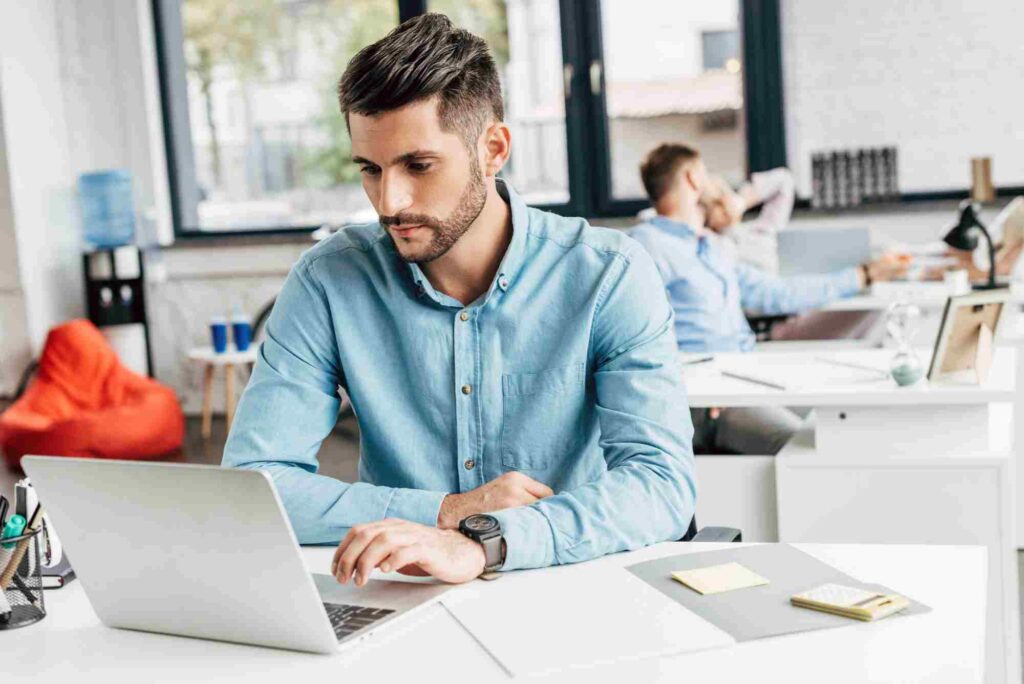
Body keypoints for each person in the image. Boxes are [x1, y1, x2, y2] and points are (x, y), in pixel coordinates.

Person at [222, 14, 696, 587]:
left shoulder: (609, 275)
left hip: (572, 582)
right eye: (370, 170)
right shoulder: (329, 281)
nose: (389, 201)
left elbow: (661, 484)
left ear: (492, 149)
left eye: (418, 166)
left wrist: (484, 543)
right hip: (402, 591)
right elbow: (254, 482)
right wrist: (447, 511)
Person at [630, 144, 907, 455]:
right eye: (707, 175)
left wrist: (864, 274)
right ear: (694, 179)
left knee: (845, 421)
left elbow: (776, 294)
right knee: (810, 448)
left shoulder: (711, 248)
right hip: (706, 398)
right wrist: (697, 385)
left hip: (745, 377)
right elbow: (636, 337)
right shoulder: (646, 246)